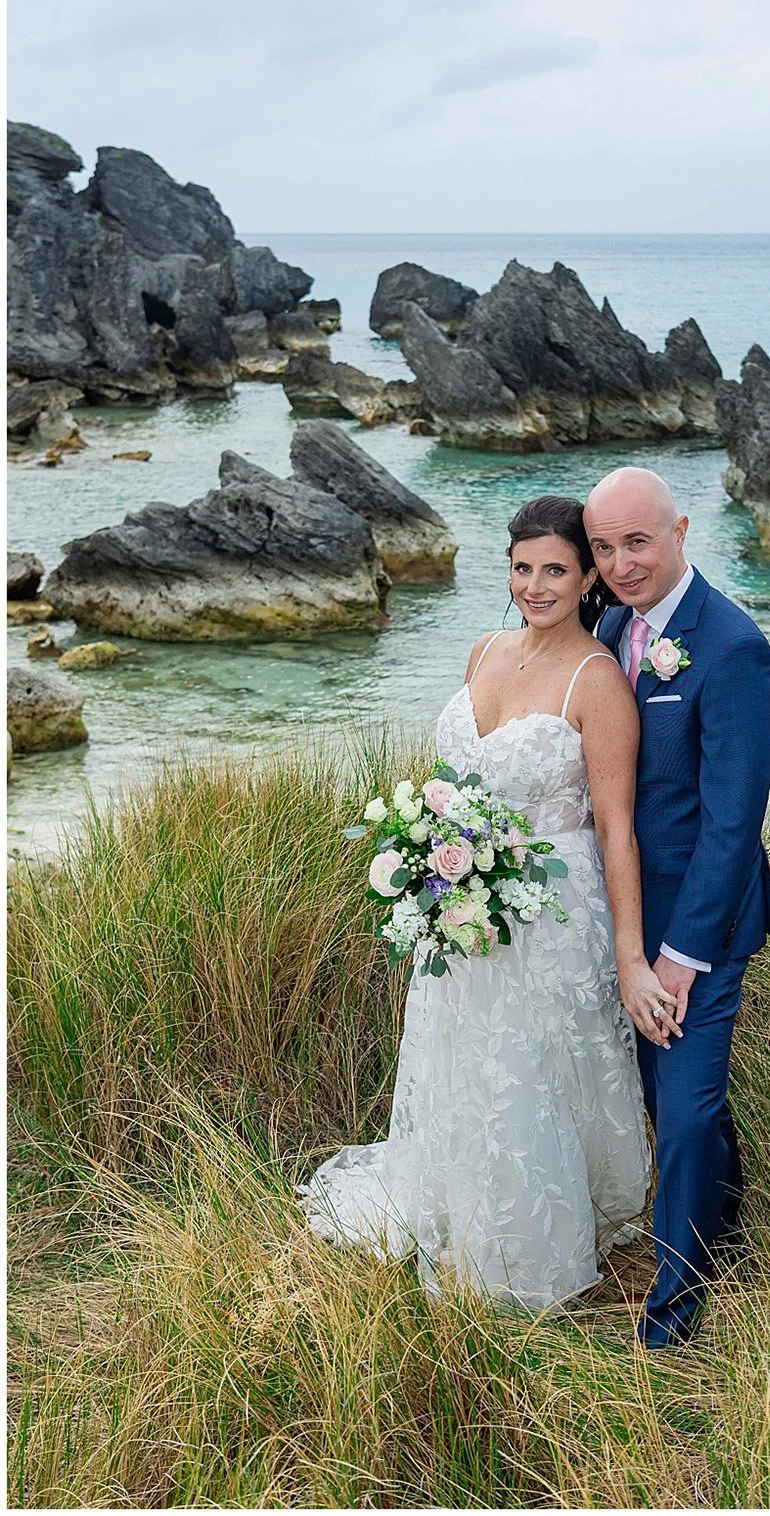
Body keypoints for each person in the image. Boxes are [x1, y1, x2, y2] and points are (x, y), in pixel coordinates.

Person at [302, 495, 655, 1308]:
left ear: (589, 576)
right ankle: (449, 1204)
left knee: (529, 1070)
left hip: (551, 916)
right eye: (523, 567)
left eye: (556, 570)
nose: (535, 585)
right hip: (456, 907)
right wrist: (429, 850)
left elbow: (617, 831)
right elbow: (454, 786)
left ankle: (525, 1243)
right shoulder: (482, 649)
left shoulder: (597, 683)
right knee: (460, 1060)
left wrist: (631, 956)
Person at [584, 465, 770, 1350]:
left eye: (637, 542)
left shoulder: (733, 648)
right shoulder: (610, 626)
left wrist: (680, 956)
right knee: (667, 1103)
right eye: (603, 547)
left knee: (690, 1105)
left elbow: (733, 824)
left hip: (700, 923)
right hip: (619, 913)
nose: (621, 564)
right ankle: (727, 1227)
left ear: (681, 532)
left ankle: (675, 1309)